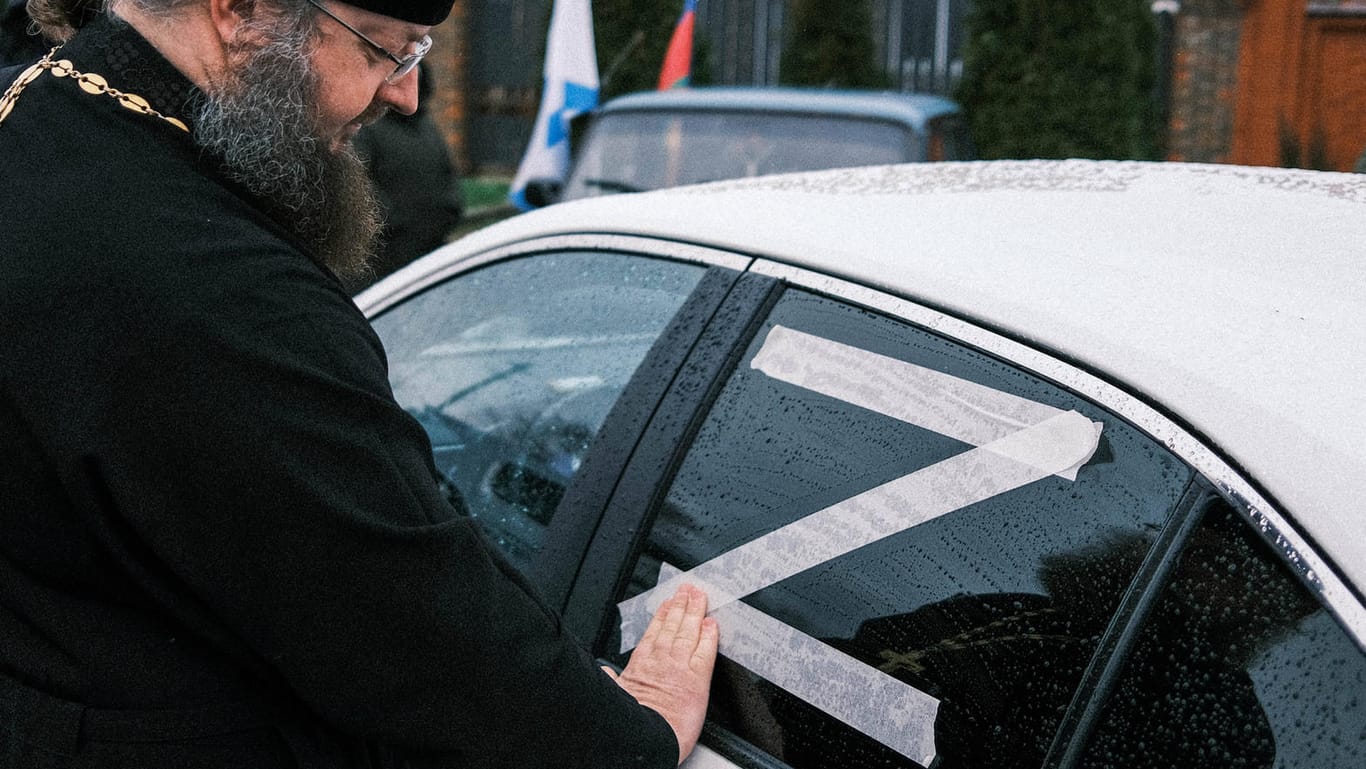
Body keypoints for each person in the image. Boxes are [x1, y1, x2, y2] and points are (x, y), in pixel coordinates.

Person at [0, 1, 716, 768]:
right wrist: (627, 737)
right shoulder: (221, 292)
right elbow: (403, 616)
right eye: (388, 52)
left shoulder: (33, 105)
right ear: (242, 10)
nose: (405, 94)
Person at [350, 61, 464, 292]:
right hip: (384, 263)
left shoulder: (427, 128)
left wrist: (447, 213)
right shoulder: (367, 128)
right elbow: (362, 190)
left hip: (428, 255)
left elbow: (448, 181)